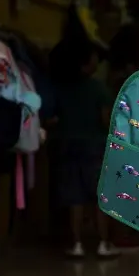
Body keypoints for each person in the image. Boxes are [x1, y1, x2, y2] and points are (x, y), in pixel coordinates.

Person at [53, 39, 121, 259]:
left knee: (75, 199)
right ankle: (103, 243)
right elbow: (105, 119)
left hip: (67, 145)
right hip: (95, 147)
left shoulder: (63, 88)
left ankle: (77, 244)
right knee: (100, 198)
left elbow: (54, 117)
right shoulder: (98, 88)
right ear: (85, 64)